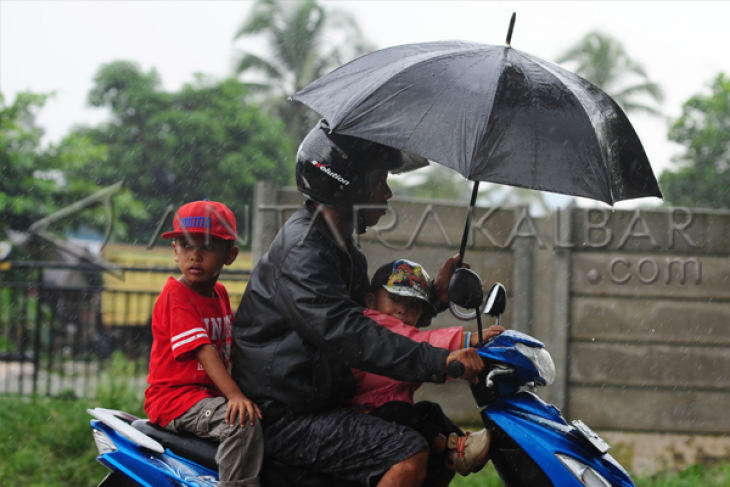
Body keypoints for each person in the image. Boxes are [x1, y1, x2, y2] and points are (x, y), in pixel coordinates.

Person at [231, 120, 484, 487]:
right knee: (407, 452)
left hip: (320, 402)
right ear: (349, 185)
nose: (387, 194)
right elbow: (350, 333)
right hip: (287, 416)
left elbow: (368, 315)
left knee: (432, 423)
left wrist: (433, 301)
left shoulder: (339, 245)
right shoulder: (304, 251)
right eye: (380, 181)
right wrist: (438, 360)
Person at [352, 259, 505, 484]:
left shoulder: (402, 333)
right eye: (395, 299)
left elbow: (422, 353)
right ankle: (453, 450)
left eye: (413, 305)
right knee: (399, 411)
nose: (403, 310)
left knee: (428, 411)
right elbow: (418, 342)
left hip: (386, 416)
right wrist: (467, 340)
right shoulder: (371, 324)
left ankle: (463, 443)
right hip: (362, 416)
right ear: (371, 301)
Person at [144, 200, 264, 487]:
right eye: (185, 245)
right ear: (175, 251)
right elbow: (204, 350)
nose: (194, 256)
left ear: (230, 255)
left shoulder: (219, 294)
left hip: (203, 397)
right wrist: (235, 395)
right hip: (174, 399)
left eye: (207, 247)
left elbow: (235, 347)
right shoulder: (176, 295)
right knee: (240, 424)